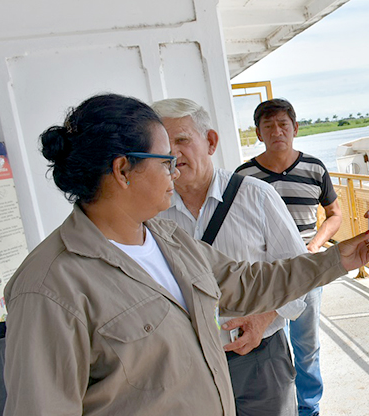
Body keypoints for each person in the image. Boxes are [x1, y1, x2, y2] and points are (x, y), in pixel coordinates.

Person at [2, 93, 369, 416]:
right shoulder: (48, 288)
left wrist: (339, 258)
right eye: (163, 159)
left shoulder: (167, 239)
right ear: (123, 170)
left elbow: (248, 282)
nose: (174, 169)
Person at [153, 98, 307, 416]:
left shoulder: (256, 195)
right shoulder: (152, 214)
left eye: (182, 140)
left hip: (259, 358)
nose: (172, 154)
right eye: (163, 146)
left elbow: (299, 272)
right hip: (187, 366)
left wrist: (265, 316)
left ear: (211, 142)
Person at [236, 98, 340, 416]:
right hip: (264, 277)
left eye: (283, 124)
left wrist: (315, 245)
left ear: (295, 128)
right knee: (268, 343)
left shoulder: (315, 169)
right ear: (258, 133)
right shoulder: (244, 175)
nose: (277, 131)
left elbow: (335, 214)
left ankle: (308, 407)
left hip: (306, 272)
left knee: (307, 345)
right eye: (268, 126)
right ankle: (280, 404)